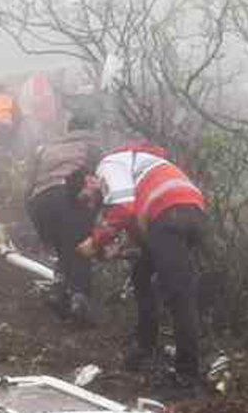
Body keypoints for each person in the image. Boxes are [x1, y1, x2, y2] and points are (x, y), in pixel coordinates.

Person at [76, 142, 206, 389]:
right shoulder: (136, 166)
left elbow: (124, 208)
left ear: (89, 180)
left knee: (179, 296)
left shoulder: (109, 164)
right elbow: (138, 222)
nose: (90, 204)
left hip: (169, 211)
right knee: (141, 274)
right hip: (190, 211)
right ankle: (144, 347)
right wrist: (120, 247)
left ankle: (187, 376)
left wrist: (95, 241)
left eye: (86, 198)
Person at [24, 114, 103, 323]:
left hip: (38, 202)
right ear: (93, 129)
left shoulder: (46, 148)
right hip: (68, 196)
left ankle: (59, 292)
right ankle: (80, 303)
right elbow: (100, 180)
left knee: (63, 248)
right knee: (79, 249)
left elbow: (30, 181)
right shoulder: (92, 147)